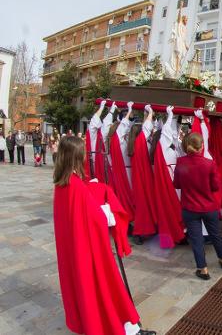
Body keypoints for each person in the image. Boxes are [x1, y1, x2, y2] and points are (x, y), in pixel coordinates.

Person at [52, 136, 155, 335]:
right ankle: (126, 330)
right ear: (77, 157)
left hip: (75, 251)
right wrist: (108, 210)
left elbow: (75, 215)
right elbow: (98, 219)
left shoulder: (62, 184)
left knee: (92, 291)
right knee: (107, 288)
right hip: (90, 252)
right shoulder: (77, 187)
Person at [174, 132, 222, 280]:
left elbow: (176, 184)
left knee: (196, 239)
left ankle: (203, 269)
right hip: (208, 206)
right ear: (201, 146)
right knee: (216, 234)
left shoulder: (180, 162)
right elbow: (216, 186)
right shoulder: (209, 164)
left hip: (190, 207)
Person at [151, 105, 186, 249]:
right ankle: (172, 235)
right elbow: (167, 133)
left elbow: (174, 137)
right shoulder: (162, 149)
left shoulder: (170, 148)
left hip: (175, 180)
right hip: (168, 181)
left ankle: (179, 232)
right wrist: (170, 116)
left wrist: (175, 120)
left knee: (176, 207)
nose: (173, 136)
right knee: (169, 208)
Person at [128, 105, 158, 243]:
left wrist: (147, 114)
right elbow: (146, 128)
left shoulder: (134, 144)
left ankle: (143, 231)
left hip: (139, 178)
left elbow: (146, 128)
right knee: (143, 205)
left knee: (143, 205)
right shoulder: (140, 142)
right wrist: (150, 111)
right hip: (142, 179)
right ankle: (139, 232)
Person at [108, 103, 135, 220]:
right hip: (125, 170)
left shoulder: (118, 138)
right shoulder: (117, 139)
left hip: (126, 169)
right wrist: (129, 110)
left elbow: (126, 126)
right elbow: (124, 125)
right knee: (128, 195)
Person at [86, 101, 108, 182]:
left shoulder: (99, 132)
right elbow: (94, 119)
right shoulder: (92, 133)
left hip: (102, 158)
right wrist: (102, 107)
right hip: (94, 159)